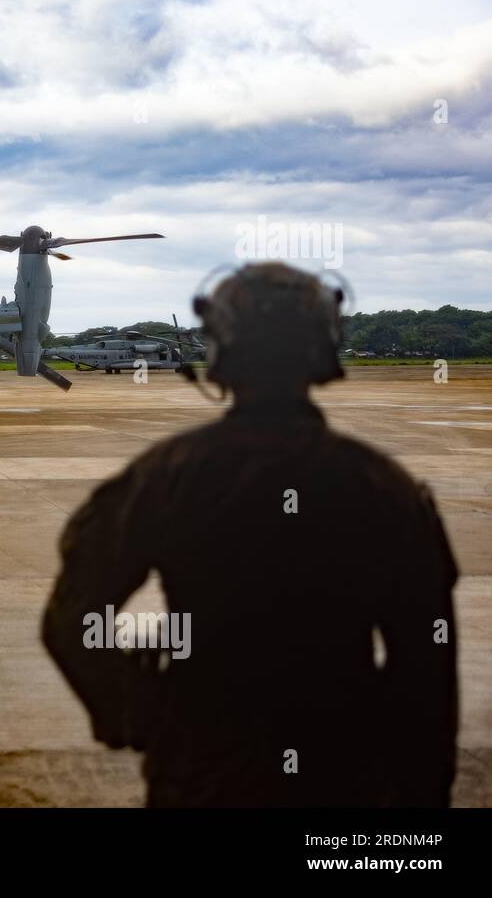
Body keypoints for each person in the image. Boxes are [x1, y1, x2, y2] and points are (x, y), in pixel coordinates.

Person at [41, 262, 458, 807]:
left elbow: (71, 618)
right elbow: (427, 661)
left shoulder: (167, 476)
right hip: (343, 776)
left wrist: (139, 712)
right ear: (322, 348)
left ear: (222, 349)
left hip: (203, 771)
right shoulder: (384, 489)